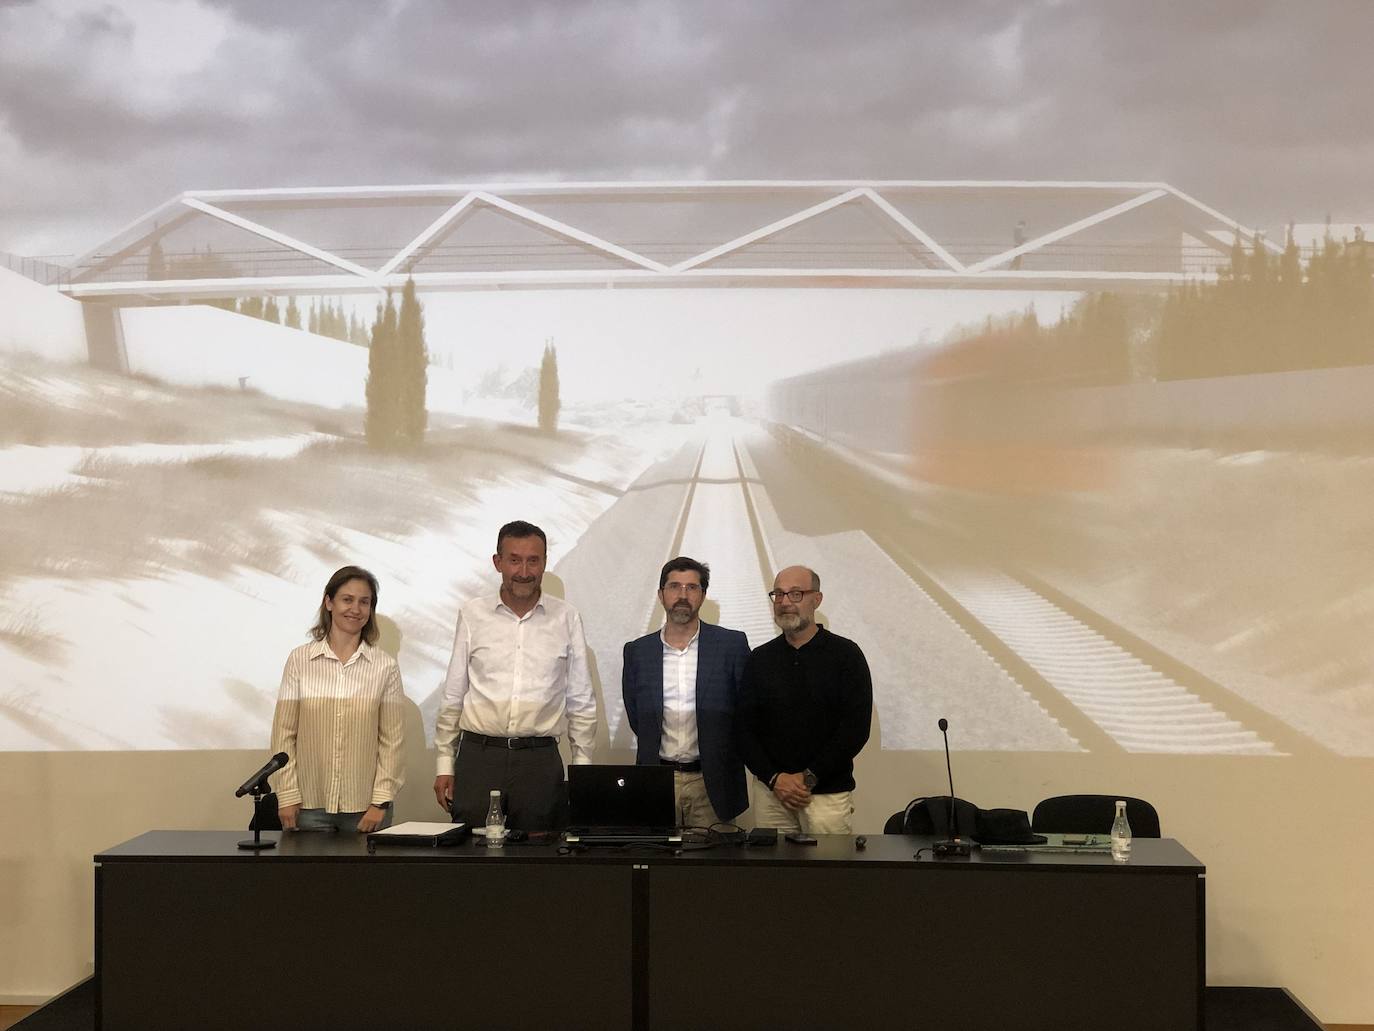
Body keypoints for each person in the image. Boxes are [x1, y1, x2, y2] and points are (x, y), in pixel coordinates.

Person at [433, 520, 597, 832]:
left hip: (539, 761)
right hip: (478, 758)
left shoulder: (567, 617)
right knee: (471, 861)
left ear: (544, 563)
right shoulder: (472, 614)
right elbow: (454, 696)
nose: (524, 571)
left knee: (539, 864)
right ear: (498, 562)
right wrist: (444, 763)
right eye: (514, 560)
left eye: (533, 560)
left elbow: (581, 702)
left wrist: (583, 772)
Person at [736, 565, 872, 835]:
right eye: (778, 594)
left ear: (817, 600)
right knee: (773, 875)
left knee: (827, 876)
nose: (785, 602)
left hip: (827, 796)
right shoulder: (760, 659)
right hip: (771, 795)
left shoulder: (846, 655)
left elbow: (855, 729)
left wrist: (807, 777)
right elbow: (744, 728)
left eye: (796, 594)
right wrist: (775, 780)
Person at [270, 565, 405, 833]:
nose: (355, 609)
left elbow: (392, 742)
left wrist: (380, 803)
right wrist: (286, 794)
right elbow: (284, 734)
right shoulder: (299, 660)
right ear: (328, 602)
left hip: (366, 810)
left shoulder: (385, 667)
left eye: (364, 602)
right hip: (308, 807)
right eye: (347, 599)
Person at [622, 556, 751, 830]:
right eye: (674, 587)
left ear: (703, 595)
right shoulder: (637, 651)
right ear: (661, 595)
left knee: (712, 870)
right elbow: (638, 717)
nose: (683, 595)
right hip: (657, 782)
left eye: (692, 588)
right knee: (657, 868)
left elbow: (746, 711)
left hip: (711, 783)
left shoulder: (731, 645)